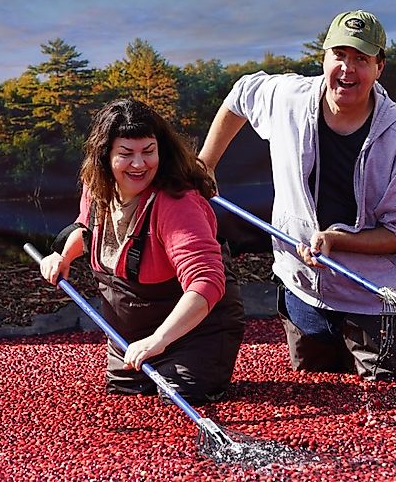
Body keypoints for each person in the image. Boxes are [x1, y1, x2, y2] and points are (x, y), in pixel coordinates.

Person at [198, 10, 396, 381]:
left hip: (373, 297)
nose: (348, 69)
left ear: (379, 68)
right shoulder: (290, 99)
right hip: (303, 290)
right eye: (339, 55)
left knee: (395, 392)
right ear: (323, 59)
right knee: (315, 384)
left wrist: (339, 241)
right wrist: (206, 163)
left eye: (361, 58)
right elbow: (243, 93)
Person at [40, 98, 245, 405]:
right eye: (126, 154)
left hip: (197, 329)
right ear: (105, 157)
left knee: (179, 394)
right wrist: (62, 257)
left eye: (148, 152)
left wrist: (158, 340)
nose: (139, 164)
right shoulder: (97, 187)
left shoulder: (178, 204)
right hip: (131, 335)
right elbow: (87, 228)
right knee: (127, 396)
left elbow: (206, 282)